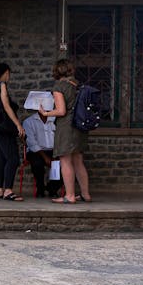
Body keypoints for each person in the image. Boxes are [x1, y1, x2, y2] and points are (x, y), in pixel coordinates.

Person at [40, 58, 91, 204]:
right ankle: (85, 194)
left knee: (65, 161)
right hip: (79, 126)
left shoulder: (59, 86)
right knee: (78, 161)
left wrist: (46, 113)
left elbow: (61, 111)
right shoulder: (77, 84)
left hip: (66, 127)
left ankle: (69, 195)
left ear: (57, 71)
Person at [0, 63, 26, 201]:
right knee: (13, 158)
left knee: (2, 158)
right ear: (4, 73)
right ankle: (8, 191)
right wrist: (18, 125)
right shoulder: (2, 85)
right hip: (4, 128)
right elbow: (6, 106)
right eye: (8, 73)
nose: (9, 76)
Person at [22, 110, 62, 198]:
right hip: (36, 151)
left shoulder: (55, 120)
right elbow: (32, 143)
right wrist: (45, 158)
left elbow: (60, 139)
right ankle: (40, 188)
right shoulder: (29, 122)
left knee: (65, 165)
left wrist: (56, 154)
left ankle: (52, 188)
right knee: (37, 164)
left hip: (54, 150)